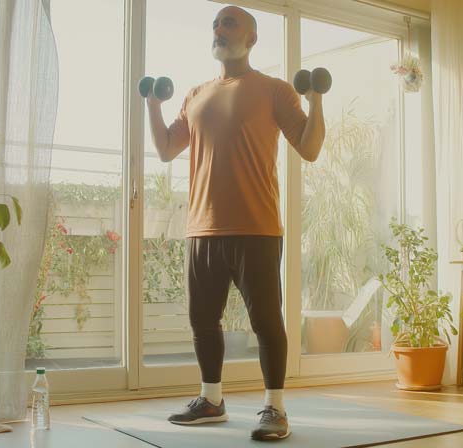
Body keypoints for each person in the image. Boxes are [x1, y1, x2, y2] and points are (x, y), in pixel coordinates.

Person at [144, 4, 325, 441]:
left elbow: (310, 147)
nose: (219, 30)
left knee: (266, 320)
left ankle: (275, 408)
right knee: (202, 319)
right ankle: (211, 400)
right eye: (215, 24)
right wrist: (152, 104)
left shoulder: (275, 90)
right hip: (202, 226)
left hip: (257, 225)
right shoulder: (195, 94)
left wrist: (316, 97)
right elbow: (168, 148)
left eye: (229, 23)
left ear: (252, 38)